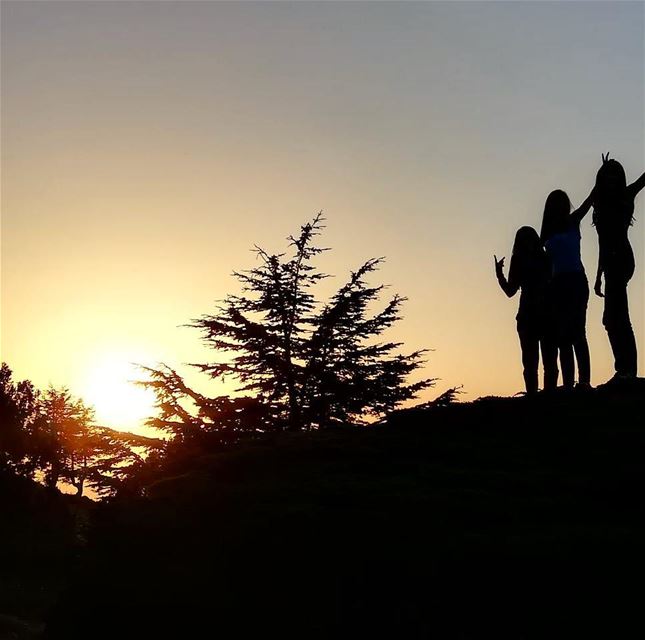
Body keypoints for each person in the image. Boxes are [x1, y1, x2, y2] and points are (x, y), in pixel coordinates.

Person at [592, 154, 645, 380]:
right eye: (607, 174)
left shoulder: (626, 194)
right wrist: (598, 275)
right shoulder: (601, 203)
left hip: (622, 257)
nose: (611, 178)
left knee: (618, 316)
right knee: (611, 318)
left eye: (615, 174)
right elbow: (602, 242)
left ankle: (627, 371)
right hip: (610, 260)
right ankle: (624, 369)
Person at [540, 188, 595, 390]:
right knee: (563, 335)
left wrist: (600, 176)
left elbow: (589, 201)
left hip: (576, 281)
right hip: (557, 285)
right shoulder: (546, 232)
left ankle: (584, 381)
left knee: (578, 332)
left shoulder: (573, 221)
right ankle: (569, 383)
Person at [495, 226, 557, 395]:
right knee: (545, 362)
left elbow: (510, 291)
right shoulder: (545, 258)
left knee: (534, 363)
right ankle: (546, 398)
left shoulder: (520, 259)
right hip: (541, 314)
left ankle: (534, 398)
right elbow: (511, 291)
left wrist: (499, 275)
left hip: (531, 315)